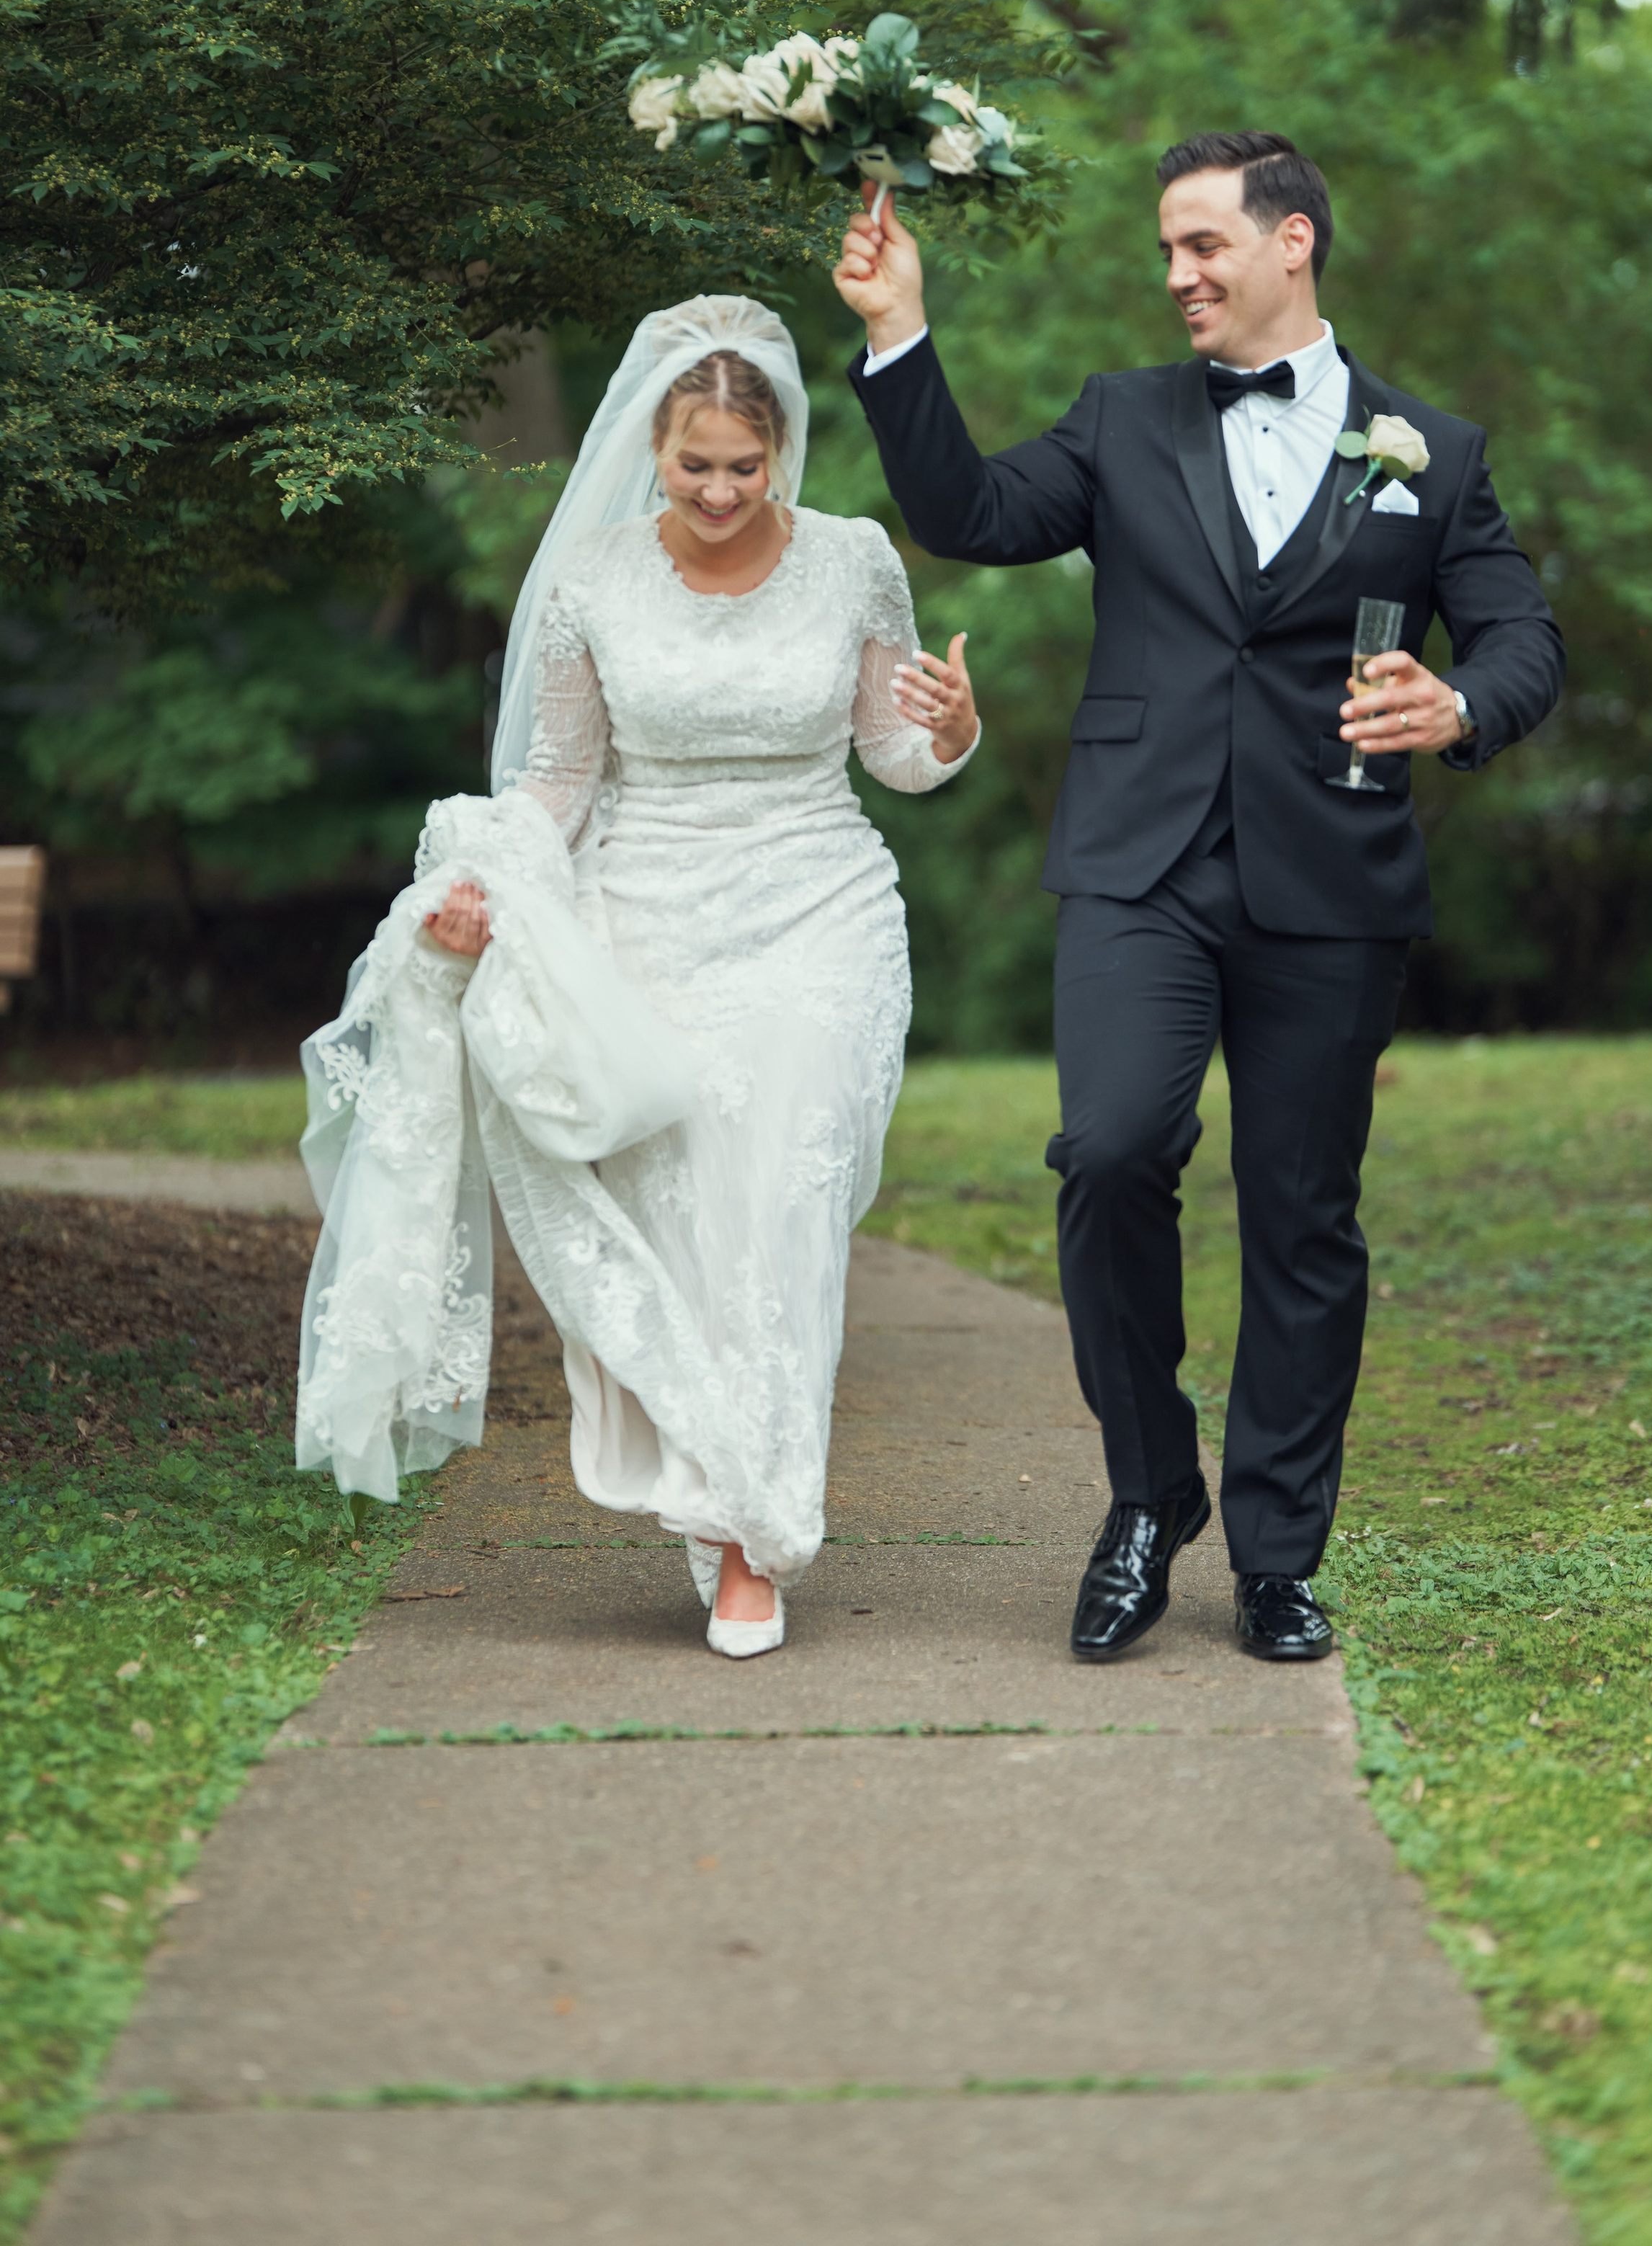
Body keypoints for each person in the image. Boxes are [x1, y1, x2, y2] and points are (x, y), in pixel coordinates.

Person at [832, 134, 1563, 1665]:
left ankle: (1279, 1557)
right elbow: (969, 511)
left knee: (1302, 1224)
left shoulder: (1430, 450)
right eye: (1165, 252)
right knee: (1104, 1155)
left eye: (1201, 247)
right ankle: (1147, 1497)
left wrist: (1459, 706)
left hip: (1331, 883)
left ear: (1290, 243)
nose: (1175, 276)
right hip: (1136, 865)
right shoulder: (1120, 421)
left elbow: (1518, 638)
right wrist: (899, 335)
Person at [294, 296, 978, 1659]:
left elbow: (891, 758)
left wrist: (949, 731)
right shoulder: (594, 580)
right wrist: (485, 884)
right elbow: (559, 780)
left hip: (819, 913)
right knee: (683, 1225)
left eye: (745, 464)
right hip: (647, 917)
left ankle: (752, 1540)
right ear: (654, 448)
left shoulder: (853, 562)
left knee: (780, 1217)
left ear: (781, 447)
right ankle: (728, 1516)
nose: (721, 491)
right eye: (695, 464)